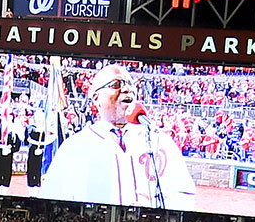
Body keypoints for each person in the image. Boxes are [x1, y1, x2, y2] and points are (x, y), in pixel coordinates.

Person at [39, 64, 196, 210]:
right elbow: (51, 201)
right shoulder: (74, 147)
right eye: (116, 85)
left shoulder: (159, 141)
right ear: (96, 98)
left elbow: (184, 195)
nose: (127, 89)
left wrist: (154, 211)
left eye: (130, 84)